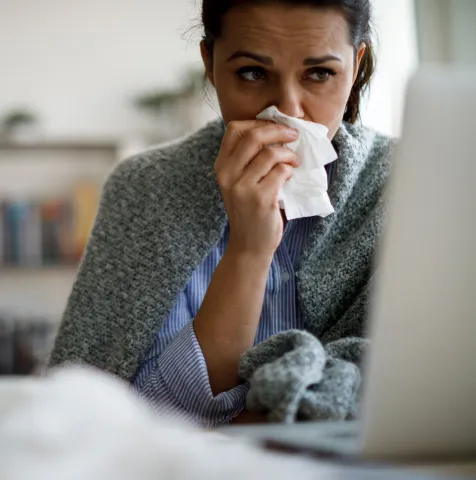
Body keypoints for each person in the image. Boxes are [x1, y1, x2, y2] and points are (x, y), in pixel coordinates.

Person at [49, 0, 394, 427]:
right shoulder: (147, 187)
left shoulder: (405, 184)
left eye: (319, 74)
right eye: (252, 73)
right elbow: (122, 416)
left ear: (356, 64)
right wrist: (249, 250)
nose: (289, 110)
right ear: (210, 64)